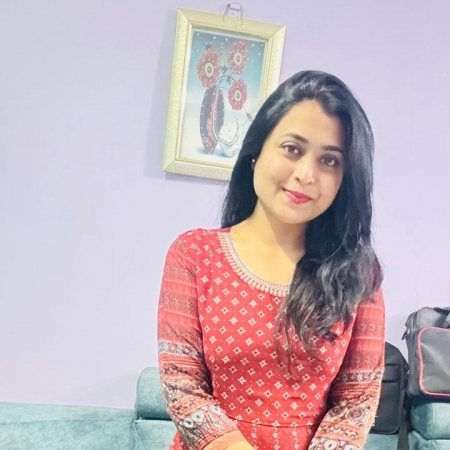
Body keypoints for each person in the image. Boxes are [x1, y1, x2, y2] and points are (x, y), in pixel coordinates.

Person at [157, 70, 385, 450]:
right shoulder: (194, 254)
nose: (306, 174)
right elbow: (182, 385)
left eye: (329, 160)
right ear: (256, 151)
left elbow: (356, 404)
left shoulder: (359, 274)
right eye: (292, 149)